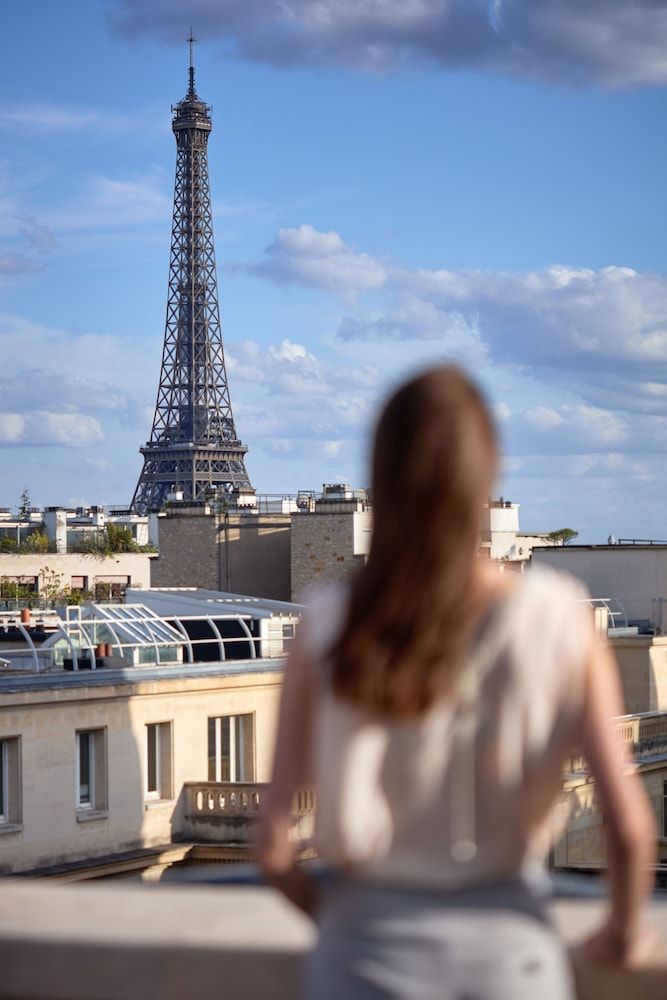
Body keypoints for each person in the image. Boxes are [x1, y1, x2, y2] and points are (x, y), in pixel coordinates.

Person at [259, 366, 655, 999]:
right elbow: (632, 832)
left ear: (381, 478)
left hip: (362, 956)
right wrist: (621, 932)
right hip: (510, 960)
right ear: (488, 474)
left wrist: (345, 925)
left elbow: (274, 847)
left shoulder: (324, 623)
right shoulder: (560, 616)